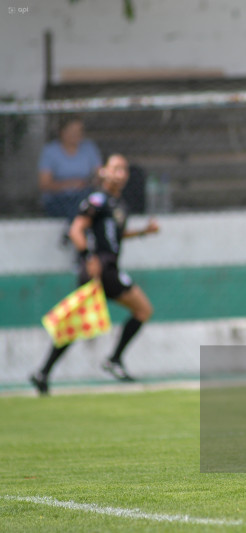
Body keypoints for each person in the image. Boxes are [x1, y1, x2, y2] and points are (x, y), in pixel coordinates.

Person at [30, 154, 159, 395]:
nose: (120, 173)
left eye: (124, 170)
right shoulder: (97, 200)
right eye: (115, 168)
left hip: (109, 269)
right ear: (104, 172)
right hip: (100, 269)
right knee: (142, 310)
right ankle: (114, 359)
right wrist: (88, 257)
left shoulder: (119, 204)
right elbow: (76, 229)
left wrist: (143, 232)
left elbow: (116, 235)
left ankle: (43, 372)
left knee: (78, 323)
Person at [38, 116, 102, 220]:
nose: (76, 135)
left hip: (84, 194)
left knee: (87, 201)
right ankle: (76, 231)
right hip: (59, 198)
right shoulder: (50, 151)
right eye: (72, 131)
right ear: (62, 132)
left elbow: (99, 174)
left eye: (79, 131)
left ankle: (72, 232)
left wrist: (88, 183)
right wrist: (70, 185)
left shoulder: (89, 148)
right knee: (77, 206)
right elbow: (44, 184)